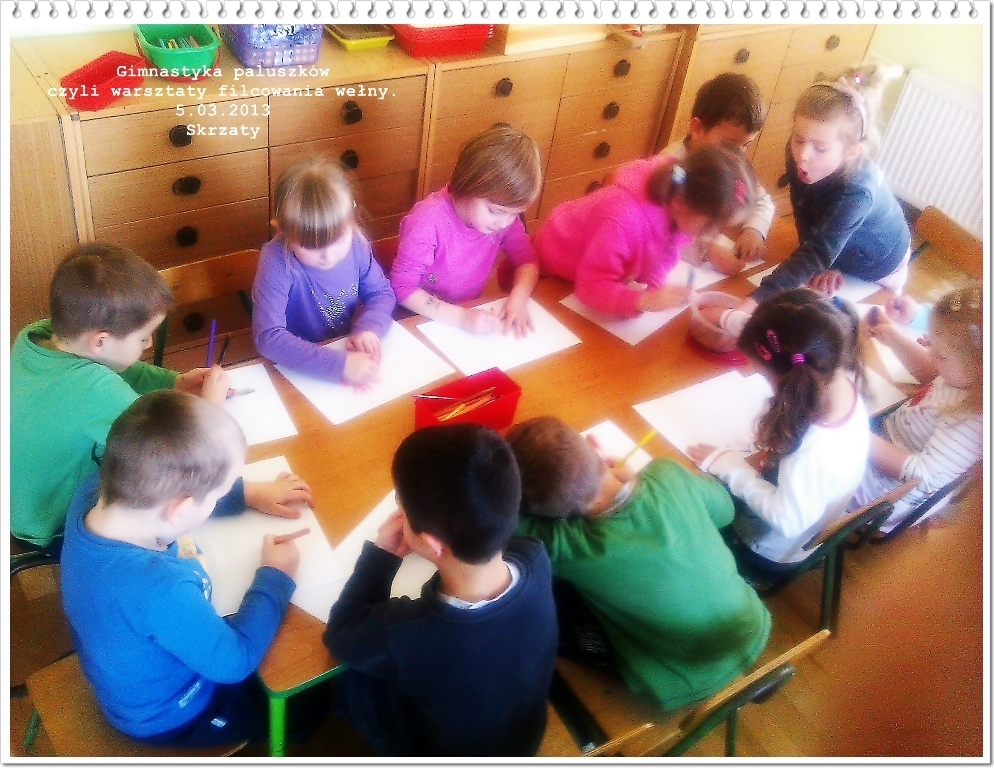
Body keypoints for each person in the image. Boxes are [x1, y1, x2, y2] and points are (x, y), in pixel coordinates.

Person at [10, 244, 312, 554]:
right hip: (52, 526)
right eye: (143, 337)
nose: (149, 344)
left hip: (27, 500)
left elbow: (123, 369)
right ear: (100, 341)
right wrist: (210, 410)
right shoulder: (90, 390)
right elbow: (176, 459)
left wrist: (174, 382)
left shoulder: (42, 336)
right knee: (165, 508)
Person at [60, 391, 300, 746]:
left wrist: (248, 494)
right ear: (181, 509)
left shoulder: (93, 491)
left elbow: (167, 499)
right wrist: (276, 578)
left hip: (130, 674)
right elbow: (234, 663)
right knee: (306, 709)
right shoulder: (161, 589)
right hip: (171, 713)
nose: (220, 499)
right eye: (219, 494)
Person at [506, 416, 771, 711]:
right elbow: (725, 512)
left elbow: (505, 521)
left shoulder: (565, 545)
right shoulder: (667, 474)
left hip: (678, 681)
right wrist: (639, 480)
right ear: (595, 446)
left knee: (542, 600)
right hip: (752, 627)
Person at [323, 424, 558, 756]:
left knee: (350, 681)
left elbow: (341, 633)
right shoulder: (535, 556)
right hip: (522, 737)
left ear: (433, 543)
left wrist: (381, 556)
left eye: (402, 506)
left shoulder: (408, 633)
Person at [689, 289, 871, 569]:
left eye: (763, 374)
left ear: (790, 380)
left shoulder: (810, 453)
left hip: (764, 547)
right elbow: (792, 331)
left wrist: (730, 467)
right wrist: (731, 320)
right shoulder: (833, 372)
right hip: (802, 515)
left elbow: (788, 520)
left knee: (688, 503)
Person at [731, 63, 909, 329]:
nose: (803, 155)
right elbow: (803, 208)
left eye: (820, 148)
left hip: (877, 271)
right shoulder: (802, 154)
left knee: (853, 331)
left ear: (851, 151)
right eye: (798, 139)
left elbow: (816, 251)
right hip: (836, 249)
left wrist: (754, 301)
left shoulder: (858, 191)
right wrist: (821, 261)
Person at [535, 143, 757, 319]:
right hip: (551, 265)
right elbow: (590, 287)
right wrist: (641, 301)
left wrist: (653, 287)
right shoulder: (622, 219)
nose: (713, 235)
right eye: (710, 225)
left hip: (590, 268)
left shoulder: (681, 198)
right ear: (681, 204)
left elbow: (668, 253)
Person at [252, 155, 397, 387]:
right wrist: (339, 365)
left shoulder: (357, 244)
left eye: (338, 241)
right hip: (295, 367)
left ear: (352, 220)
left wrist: (369, 327)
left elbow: (381, 293)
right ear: (282, 230)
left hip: (342, 348)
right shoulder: (276, 260)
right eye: (311, 247)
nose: (328, 256)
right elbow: (268, 337)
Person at [390, 125, 542, 338]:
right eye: (495, 211)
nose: (504, 223)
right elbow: (402, 287)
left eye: (514, 214)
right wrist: (461, 318)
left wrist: (518, 299)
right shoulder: (427, 220)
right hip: (416, 318)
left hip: (467, 315)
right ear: (467, 184)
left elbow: (528, 261)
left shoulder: (503, 220)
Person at [852, 286, 983, 531]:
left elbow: (922, 477)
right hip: (887, 441)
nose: (931, 354)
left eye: (940, 354)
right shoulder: (966, 381)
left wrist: (852, 433)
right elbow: (933, 373)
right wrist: (894, 337)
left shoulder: (973, 421)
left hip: (883, 492)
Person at [659, 72, 774, 274]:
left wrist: (754, 229)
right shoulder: (669, 166)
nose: (738, 155)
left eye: (746, 145)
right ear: (697, 128)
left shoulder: (730, 165)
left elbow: (762, 200)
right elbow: (655, 227)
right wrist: (706, 250)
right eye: (730, 144)